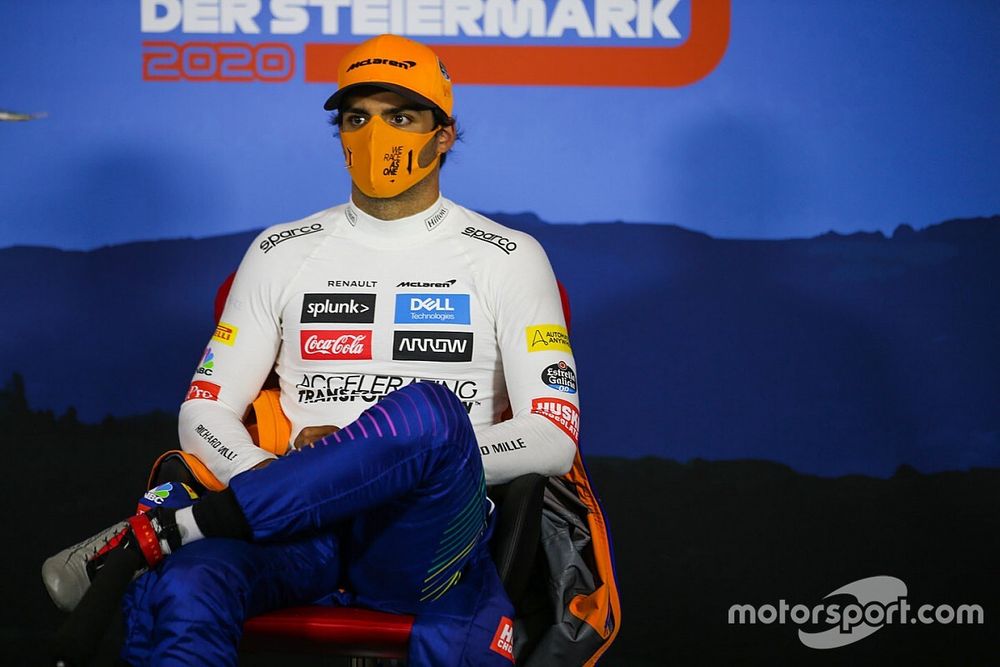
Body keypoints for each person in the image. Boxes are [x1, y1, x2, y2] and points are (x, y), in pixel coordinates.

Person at [43, 33, 581, 666]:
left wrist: (369, 458)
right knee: (189, 584)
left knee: (431, 414)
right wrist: (273, 474)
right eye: (358, 119)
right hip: (295, 522)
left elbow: (552, 434)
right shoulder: (281, 250)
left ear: (444, 135)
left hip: (427, 529)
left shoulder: (510, 256)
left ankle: (170, 530)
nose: (376, 136)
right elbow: (204, 411)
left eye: (401, 116)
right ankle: (182, 543)